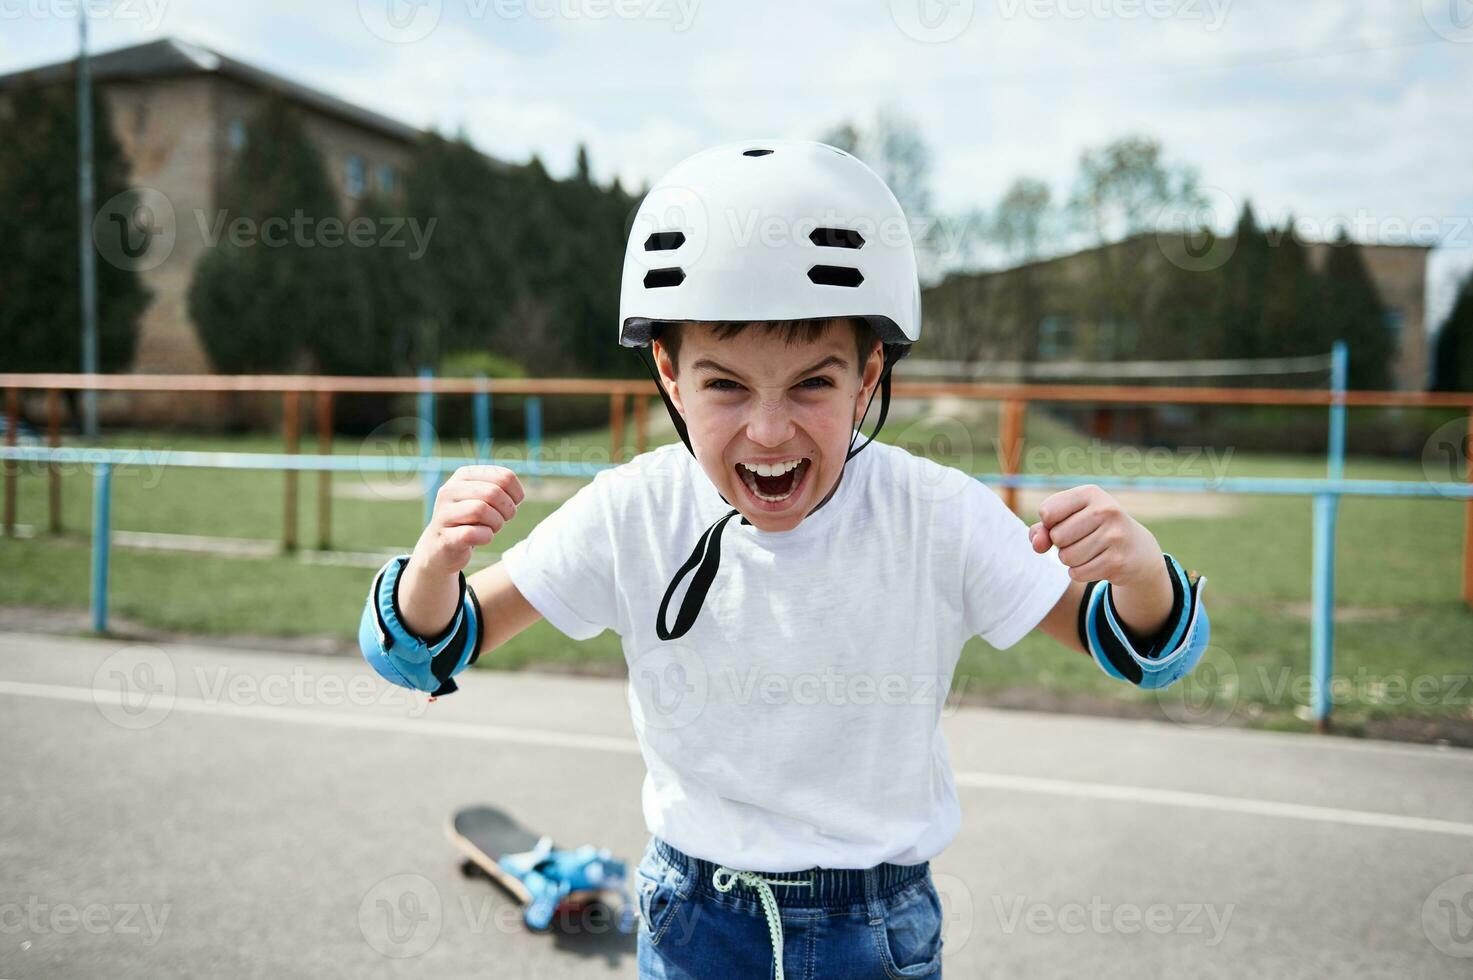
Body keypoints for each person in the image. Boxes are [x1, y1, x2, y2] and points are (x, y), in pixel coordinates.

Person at [358, 140, 1209, 979]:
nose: (768, 432)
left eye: (812, 384)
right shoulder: (635, 508)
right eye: (725, 385)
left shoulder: (935, 514)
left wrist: (1142, 576)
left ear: (868, 377)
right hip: (694, 919)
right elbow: (430, 647)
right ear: (669, 373)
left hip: (873, 932)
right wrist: (433, 569)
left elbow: (1135, 650)